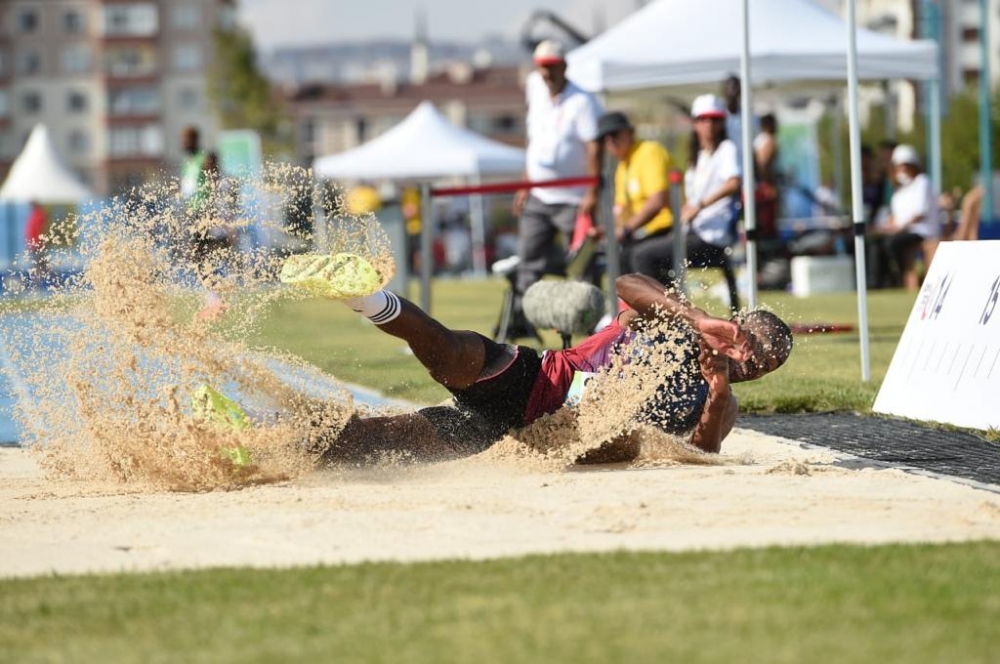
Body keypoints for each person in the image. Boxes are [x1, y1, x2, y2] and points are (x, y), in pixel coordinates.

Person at [276, 253, 793, 464]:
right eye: (754, 342)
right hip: (536, 384)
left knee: (375, 444)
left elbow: (702, 452)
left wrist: (720, 386)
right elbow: (627, 283)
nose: (753, 358)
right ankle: (362, 298)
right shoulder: (672, 320)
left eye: (765, 363)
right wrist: (695, 317)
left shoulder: (724, 403)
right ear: (737, 322)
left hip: (536, 440)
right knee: (454, 354)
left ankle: (264, 447)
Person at [507, 39, 603, 340]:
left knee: (583, 263)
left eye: (551, 67)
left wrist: (590, 192)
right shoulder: (535, 89)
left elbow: (593, 149)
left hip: (574, 199)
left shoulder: (583, 101)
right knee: (527, 261)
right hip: (539, 194)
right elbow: (532, 142)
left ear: (563, 66)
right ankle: (526, 324)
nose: (546, 74)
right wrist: (525, 184)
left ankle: (590, 327)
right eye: (541, 68)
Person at [594, 110, 674, 280]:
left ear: (629, 132)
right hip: (642, 233)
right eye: (604, 139)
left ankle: (660, 305)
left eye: (614, 134)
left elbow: (657, 201)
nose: (610, 142)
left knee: (638, 256)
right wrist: (606, 230)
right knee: (617, 258)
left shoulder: (649, 152)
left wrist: (626, 229)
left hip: (667, 228)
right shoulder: (622, 166)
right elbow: (621, 211)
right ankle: (635, 306)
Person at [878, 144, 940, 291]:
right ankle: (891, 282)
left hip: (923, 231)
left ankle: (904, 278)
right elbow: (896, 216)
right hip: (905, 232)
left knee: (893, 243)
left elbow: (919, 214)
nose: (902, 171)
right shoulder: (899, 191)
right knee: (880, 245)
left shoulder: (922, 182)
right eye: (899, 167)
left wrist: (898, 227)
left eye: (905, 167)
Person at [25, 200, 49, 290]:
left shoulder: (39, 215)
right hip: (35, 244)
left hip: (37, 245)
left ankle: (36, 286)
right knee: (42, 266)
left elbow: (42, 229)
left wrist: (41, 243)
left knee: (38, 266)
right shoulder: (35, 215)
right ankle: (54, 284)